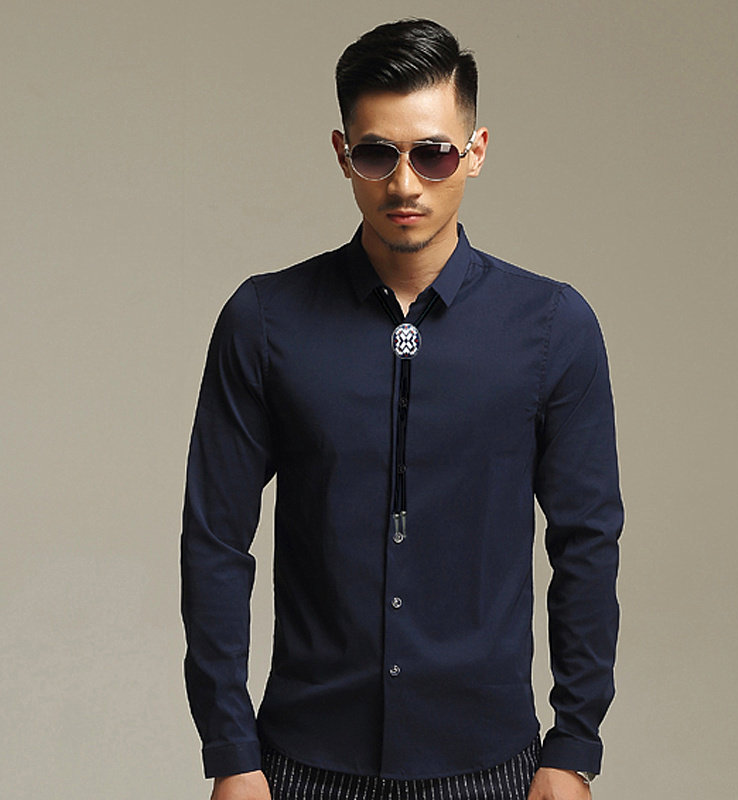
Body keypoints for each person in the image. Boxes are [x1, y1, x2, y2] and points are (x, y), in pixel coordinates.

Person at [181, 18, 623, 800]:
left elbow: (586, 541)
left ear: (476, 151)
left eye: (434, 153)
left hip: (492, 766)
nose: (406, 184)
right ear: (342, 153)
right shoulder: (265, 321)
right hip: (301, 764)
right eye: (377, 154)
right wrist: (230, 751)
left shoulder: (553, 327)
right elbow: (215, 541)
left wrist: (574, 745)